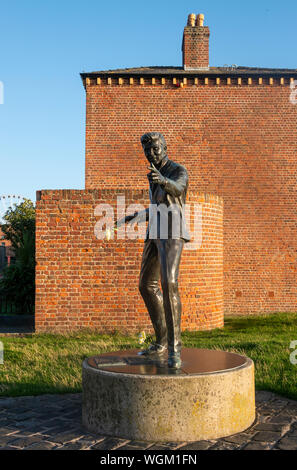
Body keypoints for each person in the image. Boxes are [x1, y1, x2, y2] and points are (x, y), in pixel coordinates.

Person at [117, 132, 189, 368]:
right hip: (155, 232)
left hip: (173, 231)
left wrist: (163, 181)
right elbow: (156, 207)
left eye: (156, 149)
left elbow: (178, 190)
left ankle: (175, 350)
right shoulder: (152, 176)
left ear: (165, 147)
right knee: (146, 285)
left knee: (169, 284)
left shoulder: (178, 170)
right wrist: (132, 217)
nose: (152, 153)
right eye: (148, 151)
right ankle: (161, 341)